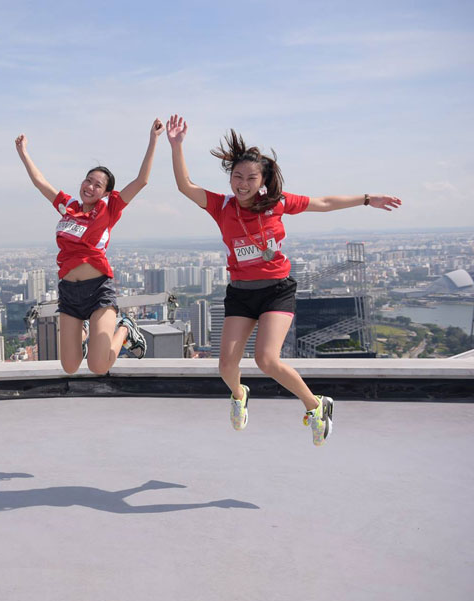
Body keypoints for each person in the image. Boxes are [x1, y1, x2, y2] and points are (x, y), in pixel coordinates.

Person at [166, 114, 401, 445]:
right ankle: (239, 395)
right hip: (240, 294)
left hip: (276, 291)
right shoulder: (222, 207)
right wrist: (177, 146)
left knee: (266, 360)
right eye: (237, 177)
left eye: (250, 177)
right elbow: (184, 185)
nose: (242, 183)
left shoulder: (276, 204)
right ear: (230, 179)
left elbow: (322, 203)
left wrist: (365, 199)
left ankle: (316, 407)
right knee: (225, 366)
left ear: (262, 180)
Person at [14, 118, 164, 375]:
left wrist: (153, 140)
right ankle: (86, 334)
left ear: (105, 193)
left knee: (98, 366)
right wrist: (23, 153)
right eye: (88, 180)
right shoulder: (68, 206)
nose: (90, 187)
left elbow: (141, 180)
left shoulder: (109, 208)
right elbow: (40, 182)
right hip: (69, 291)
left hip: (98, 291)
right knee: (70, 367)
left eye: (98, 185)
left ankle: (125, 328)